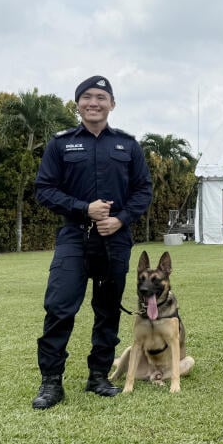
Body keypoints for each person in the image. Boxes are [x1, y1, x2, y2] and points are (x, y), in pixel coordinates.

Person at [31, 76, 153, 409]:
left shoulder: (128, 145)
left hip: (115, 239)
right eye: (87, 97)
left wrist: (121, 219)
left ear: (112, 104)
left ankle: (98, 376)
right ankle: (51, 382)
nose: (94, 103)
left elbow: (143, 190)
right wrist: (84, 208)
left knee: (108, 309)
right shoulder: (61, 144)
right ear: (78, 105)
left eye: (101, 97)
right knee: (59, 307)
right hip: (75, 236)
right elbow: (44, 189)